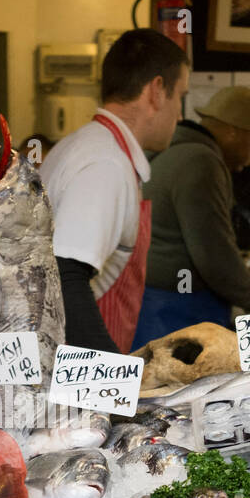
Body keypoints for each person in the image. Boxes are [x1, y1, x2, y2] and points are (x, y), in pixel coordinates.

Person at [40, 29, 190, 352]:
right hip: (70, 384)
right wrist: (110, 388)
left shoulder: (85, 146)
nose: (180, 114)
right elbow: (64, 276)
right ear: (157, 91)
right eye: (181, 97)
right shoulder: (104, 163)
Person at [134, 85, 250, 348]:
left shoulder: (172, 151)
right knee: (183, 387)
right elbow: (213, 254)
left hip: (153, 303)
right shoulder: (201, 162)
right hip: (179, 310)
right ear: (233, 131)